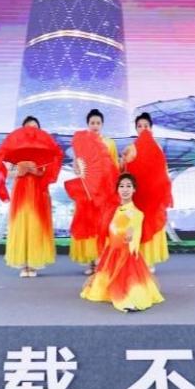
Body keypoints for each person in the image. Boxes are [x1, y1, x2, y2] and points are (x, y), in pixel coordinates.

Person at [0, 116, 63, 278]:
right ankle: (23, 264)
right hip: (21, 192)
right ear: (22, 130)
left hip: (39, 191)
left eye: (35, 128)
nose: (32, 131)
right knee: (22, 225)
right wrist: (20, 170)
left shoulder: (45, 150)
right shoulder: (14, 149)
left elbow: (50, 172)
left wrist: (36, 171)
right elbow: (7, 172)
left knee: (35, 225)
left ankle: (33, 264)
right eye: (29, 127)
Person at [80, 174, 164, 312]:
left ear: (134, 189)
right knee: (100, 288)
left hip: (127, 256)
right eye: (122, 186)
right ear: (117, 189)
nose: (125, 189)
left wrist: (130, 235)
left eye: (128, 186)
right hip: (111, 254)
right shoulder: (113, 210)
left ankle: (132, 300)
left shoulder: (136, 213)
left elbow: (134, 228)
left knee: (131, 284)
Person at [69, 109, 119, 274]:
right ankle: (90, 262)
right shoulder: (82, 143)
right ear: (88, 124)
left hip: (104, 191)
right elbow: (77, 165)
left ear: (102, 125)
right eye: (92, 123)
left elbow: (114, 166)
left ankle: (101, 260)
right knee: (87, 224)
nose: (95, 125)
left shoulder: (109, 143)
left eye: (98, 123)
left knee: (102, 224)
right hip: (87, 191)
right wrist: (78, 169)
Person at [121, 112, 172, 272]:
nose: (143, 128)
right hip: (138, 193)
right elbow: (125, 170)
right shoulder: (131, 147)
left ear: (151, 128)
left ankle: (149, 261)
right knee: (137, 223)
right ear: (136, 129)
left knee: (150, 222)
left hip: (153, 193)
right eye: (139, 126)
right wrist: (123, 160)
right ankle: (137, 258)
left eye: (146, 126)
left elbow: (163, 170)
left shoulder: (157, 147)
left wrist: (162, 188)